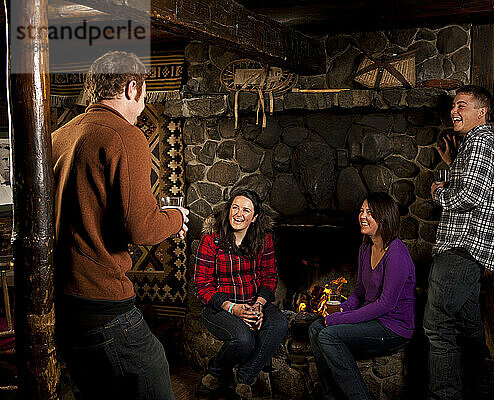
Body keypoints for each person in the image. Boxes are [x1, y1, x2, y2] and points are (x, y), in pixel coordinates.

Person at [52, 51, 189, 400]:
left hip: (64, 304)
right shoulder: (126, 136)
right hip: (102, 302)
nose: (143, 105)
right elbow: (141, 228)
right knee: (153, 369)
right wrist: (176, 218)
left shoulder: (59, 137)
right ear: (132, 88)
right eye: (144, 95)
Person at [424, 85, 494, 400]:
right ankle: (479, 385)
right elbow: (472, 184)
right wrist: (453, 161)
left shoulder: (480, 142)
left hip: (460, 249)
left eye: (461, 105)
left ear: (482, 111)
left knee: (438, 327)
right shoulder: (477, 145)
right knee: (467, 323)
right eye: (453, 106)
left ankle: (444, 396)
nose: (453, 112)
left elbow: (469, 195)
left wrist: (437, 193)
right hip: (472, 251)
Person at [309, 192, 416, 400]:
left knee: (329, 335)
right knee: (315, 328)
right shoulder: (366, 247)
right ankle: (331, 396)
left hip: (393, 327)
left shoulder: (397, 255)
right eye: (361, 211)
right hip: (374, 320)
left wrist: (339, 319)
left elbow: (385, 305)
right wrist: (343, 308)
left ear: (384, 218)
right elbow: (358, 291)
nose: (362, 216)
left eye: (370, 212)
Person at [194, 189, 288, 400]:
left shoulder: (264, 239)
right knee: (244, 339)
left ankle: (245, 377)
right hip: (219, 307)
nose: (239, 214)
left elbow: (269, 277)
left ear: (254, 217)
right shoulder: (211, 239)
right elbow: (201, 286)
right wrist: (233, 308)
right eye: (235, 207)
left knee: (279, 323)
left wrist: (259, 306)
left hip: (253, 302)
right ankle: (215, 373)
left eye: (246, 210)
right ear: (229, 210)